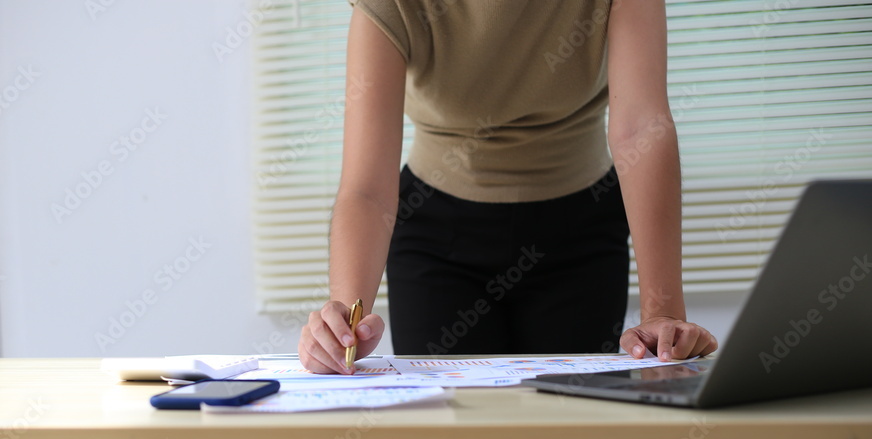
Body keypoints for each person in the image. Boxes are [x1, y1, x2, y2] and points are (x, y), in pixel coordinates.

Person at [299, 0, 719, 374]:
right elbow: (367, 187)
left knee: (571, 432)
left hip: (580, 226)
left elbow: (640, 129)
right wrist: (343, 330)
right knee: (455, 437)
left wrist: (663, 314)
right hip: (436, 232)